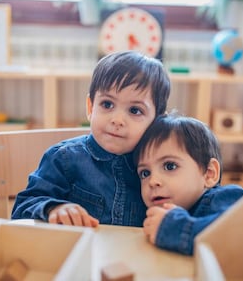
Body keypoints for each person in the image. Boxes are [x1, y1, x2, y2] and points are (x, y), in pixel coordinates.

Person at [11, 51, 171, 227]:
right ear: (90, 107)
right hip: (78, 252)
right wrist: (53, 209)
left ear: (157, 121)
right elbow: (22, 209)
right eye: (107, 104)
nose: (117, 120)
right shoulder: (63, 158)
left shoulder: (161, 167)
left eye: (135, 110)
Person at [133, 111, 243, 255]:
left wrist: (178, 229)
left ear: (209, 174)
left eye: (170, 166)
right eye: (145, 173)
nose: (153, 181)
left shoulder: (223, 198)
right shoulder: (181, 210)